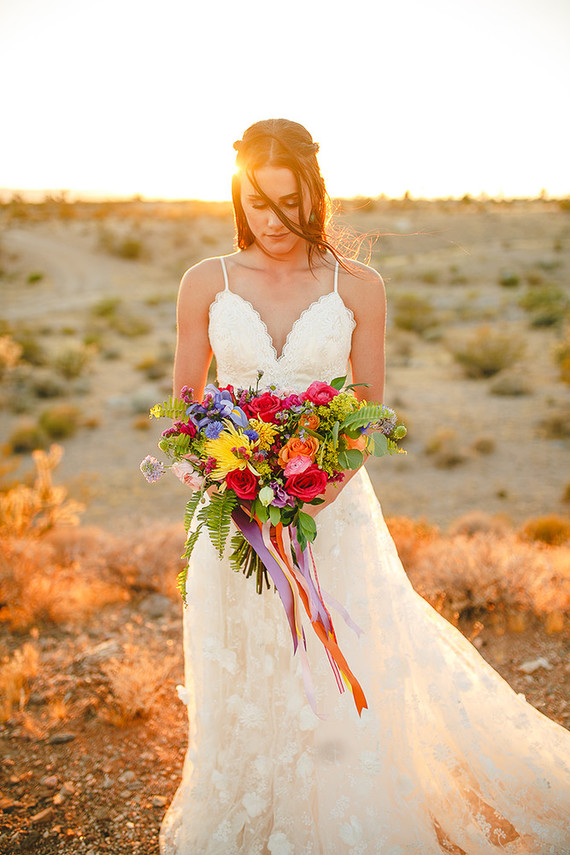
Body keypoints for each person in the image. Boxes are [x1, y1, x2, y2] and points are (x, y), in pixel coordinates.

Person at [160, 119, 570, 855]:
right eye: (257, 203)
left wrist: (308, 495)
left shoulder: (360, 287)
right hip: (234, 517)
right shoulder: (205, 282)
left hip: (335, 516)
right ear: (237, 198)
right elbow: (187, 407)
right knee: (244, 667)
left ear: (315, 192)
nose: (273, 221)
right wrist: (237, 481)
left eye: (288, 202)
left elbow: (369, 413)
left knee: (336, 664)